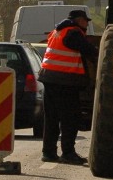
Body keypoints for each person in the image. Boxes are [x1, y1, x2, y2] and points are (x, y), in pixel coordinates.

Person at [39, 9, 98, 165]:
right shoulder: (73, 33)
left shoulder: (57, 31)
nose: (87, 23)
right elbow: (89, 50)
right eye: (86, 21)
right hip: (65, 81)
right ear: (79, 20)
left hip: (49, 79)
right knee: (70, 118)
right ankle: (68, 153)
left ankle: (48, 152)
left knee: (51, 117)